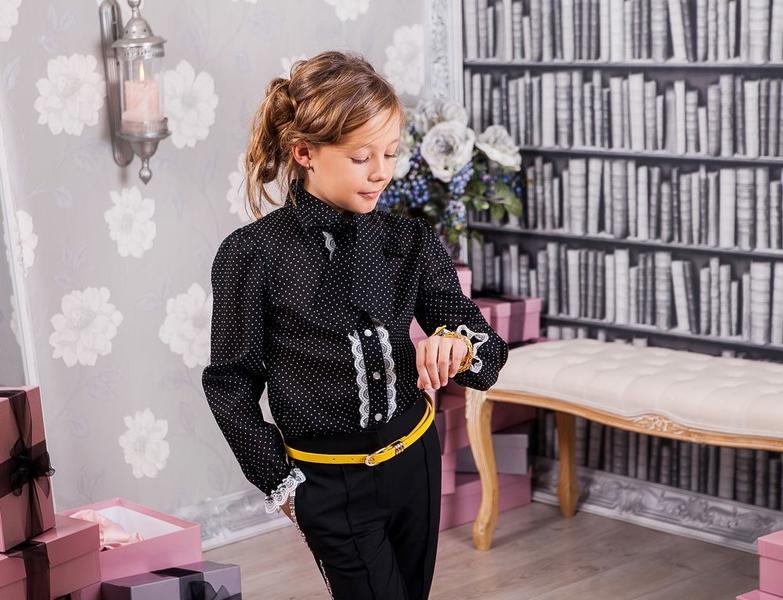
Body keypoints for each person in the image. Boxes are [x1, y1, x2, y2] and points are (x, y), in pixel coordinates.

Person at [202, 49, 509, 600]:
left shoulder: (411, 241)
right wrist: (284, 486)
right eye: (362, 156)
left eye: (390, 153)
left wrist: (455, 345)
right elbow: (229, 385)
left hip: (416, 462)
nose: (382, 172)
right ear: (304, 152)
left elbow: (484, 346)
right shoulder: (252, 255)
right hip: (328, 483)